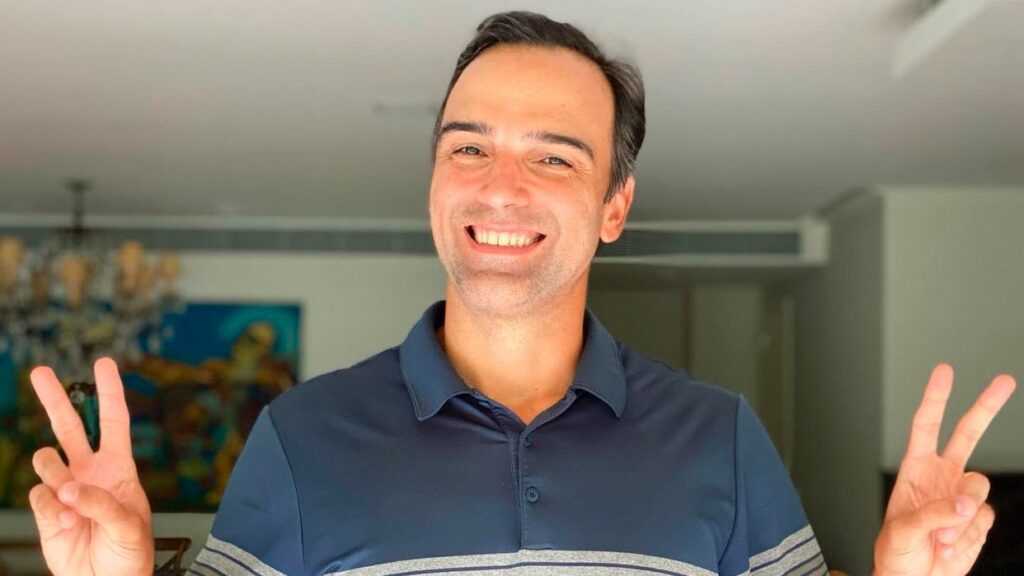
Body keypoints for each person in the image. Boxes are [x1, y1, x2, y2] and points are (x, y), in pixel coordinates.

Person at [26, 11, 1016, 576]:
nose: (501, 188)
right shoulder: (298, 438)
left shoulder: (722, 436)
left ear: (614, 205)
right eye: (470, 148)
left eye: (553, 156)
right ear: (434, 179)